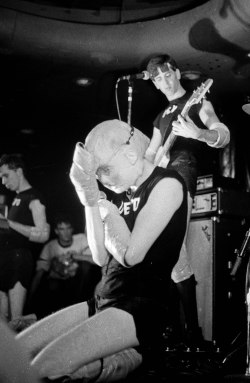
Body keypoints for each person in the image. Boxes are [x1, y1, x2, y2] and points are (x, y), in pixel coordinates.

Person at [16, 119, 187, 381]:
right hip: (103, 298)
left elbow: (131, 255)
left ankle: (127, 358)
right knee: (17, 354)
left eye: (104, 170)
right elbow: (99, 257)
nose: (103, 181)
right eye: (96, 176)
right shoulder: (123, 193)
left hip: (139, 304)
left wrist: (107, 212)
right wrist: (90, 201)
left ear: (130, 154)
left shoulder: (167, 184)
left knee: (44, 368)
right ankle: (114, 362)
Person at [144, 54, 230, 346]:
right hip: (161, 178)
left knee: (172, 247)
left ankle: (191, 334)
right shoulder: (160, 117)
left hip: (183, 172)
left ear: (177, 72)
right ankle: (186, 333)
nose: (164, 81)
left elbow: (223, 135)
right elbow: (149, 156)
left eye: (167, 74)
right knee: (172, 254)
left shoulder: (197, 101)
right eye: (157, 79)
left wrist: (198, 133)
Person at [0, 153, 50, 327]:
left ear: (19, 171)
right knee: (3, 326)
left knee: (14, 323)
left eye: (6, 175)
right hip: (4, 261)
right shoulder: (16, 198)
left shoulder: (34, 197)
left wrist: (9, 223)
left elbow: (43, 234)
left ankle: (40, 322)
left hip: (19, 261)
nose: (3, 182)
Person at [28, 212, 101, 318]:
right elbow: (39, 274)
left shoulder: (81, 238)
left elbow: (97, 260)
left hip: (79, 283)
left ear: (72, 229)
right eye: (62, 229)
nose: (66, 232)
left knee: (86, 266)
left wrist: (76, 257)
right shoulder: (50, 247)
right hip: (59, 283)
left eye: (68, 228)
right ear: (56, 231)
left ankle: (80, 308)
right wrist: (30, 298)